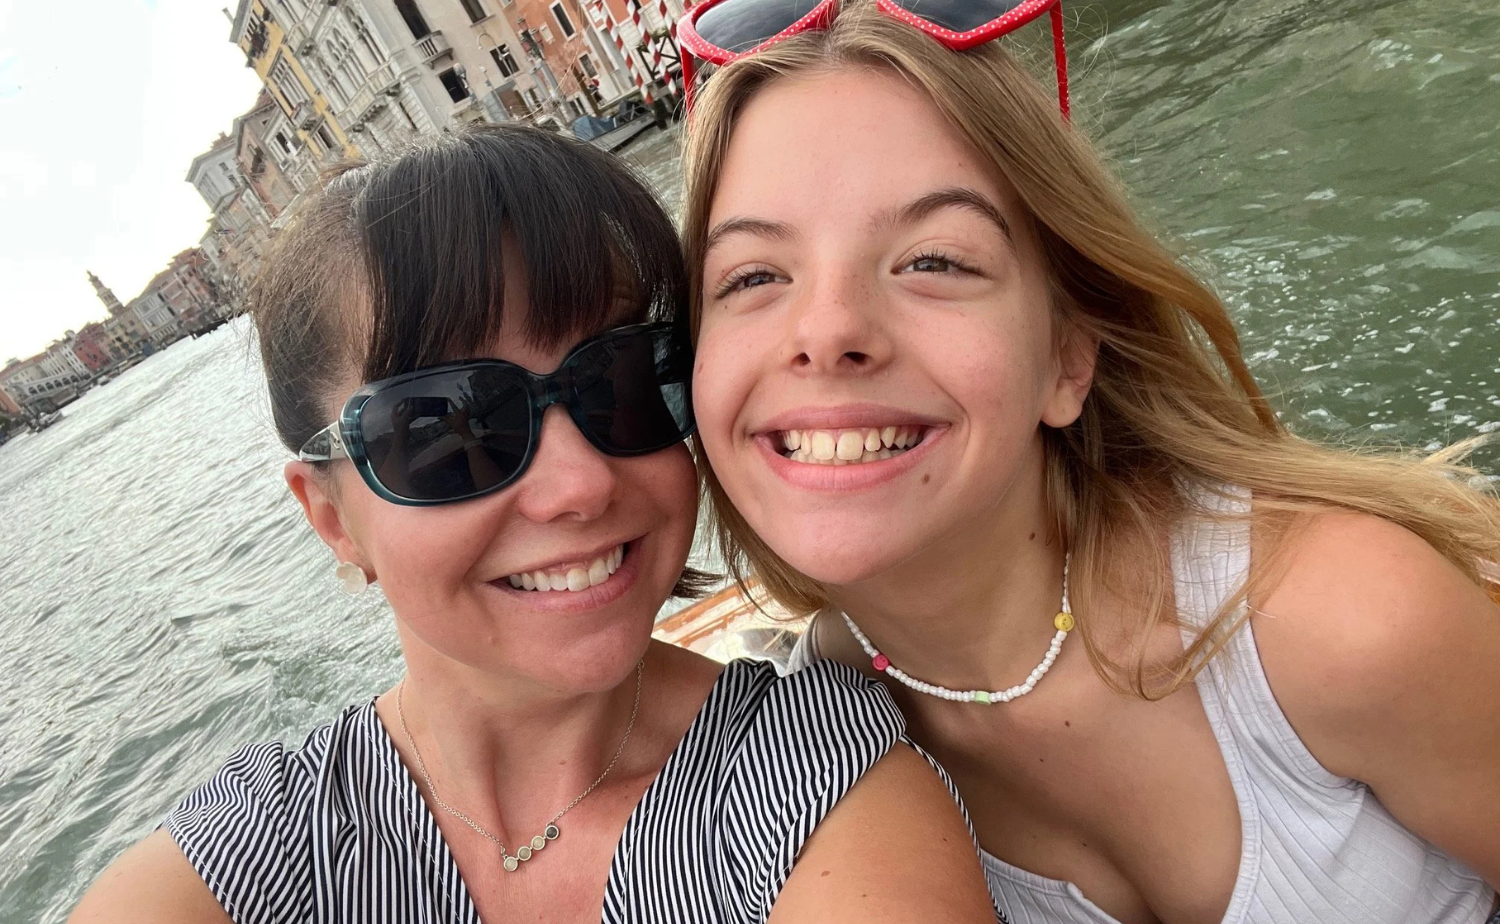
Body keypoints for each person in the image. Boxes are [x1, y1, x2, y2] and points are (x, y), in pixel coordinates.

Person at [678, 2, 1500, 923]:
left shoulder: (1336, 620)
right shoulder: (799, 761)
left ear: (1069, 358)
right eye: (751, 277)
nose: (826, 332)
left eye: (935, 261)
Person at [68, 125, 996, 924]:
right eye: (448, 427)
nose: (580, 483)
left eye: (623, 380)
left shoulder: (819, 786)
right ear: (332, 520)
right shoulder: (260, 841)